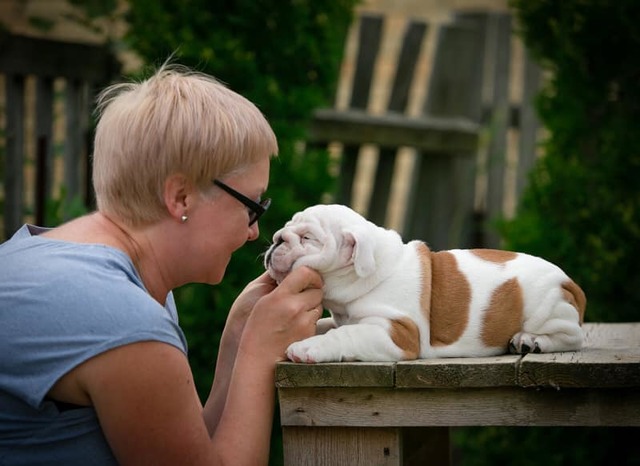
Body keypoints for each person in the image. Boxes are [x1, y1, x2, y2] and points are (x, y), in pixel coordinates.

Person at [0, 64, 324, 465]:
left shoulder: (82, 269)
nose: (254, 233)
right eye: (252, 207)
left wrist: (241, 336)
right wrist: (260, 356)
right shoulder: (122, 318)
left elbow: (188, 453)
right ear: (181, 198)